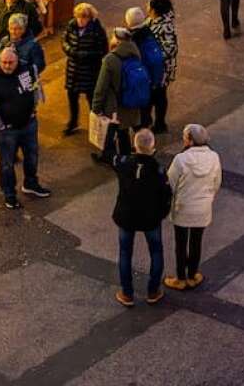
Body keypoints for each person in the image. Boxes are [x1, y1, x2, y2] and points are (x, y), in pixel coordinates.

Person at [0, 47, 49, 208]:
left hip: (28, 123)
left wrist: (33, 110)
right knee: (7, 164)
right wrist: (0, 126)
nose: (7, 66)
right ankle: (9, 194)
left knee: (32, 156)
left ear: (17, 61)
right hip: (7, 130)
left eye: (10, 62)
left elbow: (34, 89)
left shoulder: (26, 70)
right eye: (4, 62)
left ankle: (30, 184)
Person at [112, 128, 173, 306]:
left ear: (135, 146)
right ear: (152, 148)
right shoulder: (158, 170)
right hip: (150, 218)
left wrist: (112, 129)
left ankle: (127, 293)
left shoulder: (124, 164)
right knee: (156, 251)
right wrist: (161, 214)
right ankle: (153, 291)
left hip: (126, 216)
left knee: (125, 252)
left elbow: (109, 153)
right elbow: (166, 195)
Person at [163, 123, 222, 291]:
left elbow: (171, 183)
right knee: (196, 241)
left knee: (181, 243)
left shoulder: (181, 160)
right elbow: (217, 183)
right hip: (203, 207)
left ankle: (180, 278)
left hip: (183, 206)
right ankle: (193, 274)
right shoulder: (214, 157)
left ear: (189, 140)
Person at [91, 27, 151, 156]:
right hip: (133, 100)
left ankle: (116, 158)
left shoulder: (110, 60)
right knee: (128, 129)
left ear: (117, 41)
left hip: (115, 105)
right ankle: (133, 153)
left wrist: (96, 108)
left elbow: (101, 87)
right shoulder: (135, 53)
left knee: (118, 132)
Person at [62, 3, 107, 135]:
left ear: (89, 17)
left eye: (84, 17)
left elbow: (103, 50)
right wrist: (70, 51)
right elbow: (64, 41)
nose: (80, 20)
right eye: (78, 17)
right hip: (73, 71)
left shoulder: (97, 30)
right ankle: (73, 122)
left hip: (90, 72)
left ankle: (97, 126)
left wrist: (86, 55)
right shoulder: (71, 26)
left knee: (92, 100)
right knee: (72, 97)